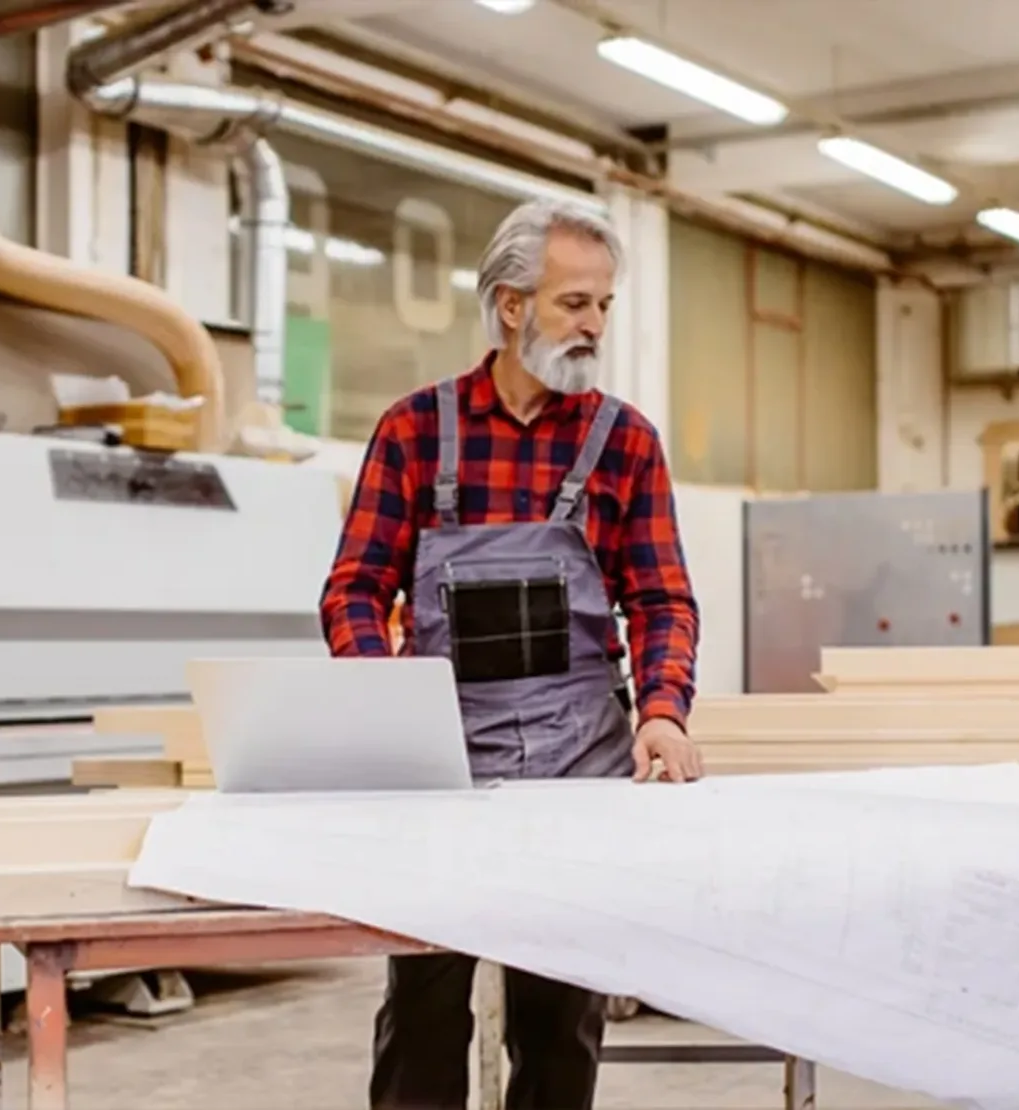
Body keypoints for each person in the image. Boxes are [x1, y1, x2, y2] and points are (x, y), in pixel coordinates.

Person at [318, 197, 703, 1110]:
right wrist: (387, 712)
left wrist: (660, 710)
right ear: (511, 306)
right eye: (575, 304)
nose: (595, 326)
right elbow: (356, 590)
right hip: (441, 766)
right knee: (424, 1006)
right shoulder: (416, 431)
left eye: (604, 306)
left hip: (579, 763)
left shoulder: (626, 442)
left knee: (561, 1018)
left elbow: (659, 598)